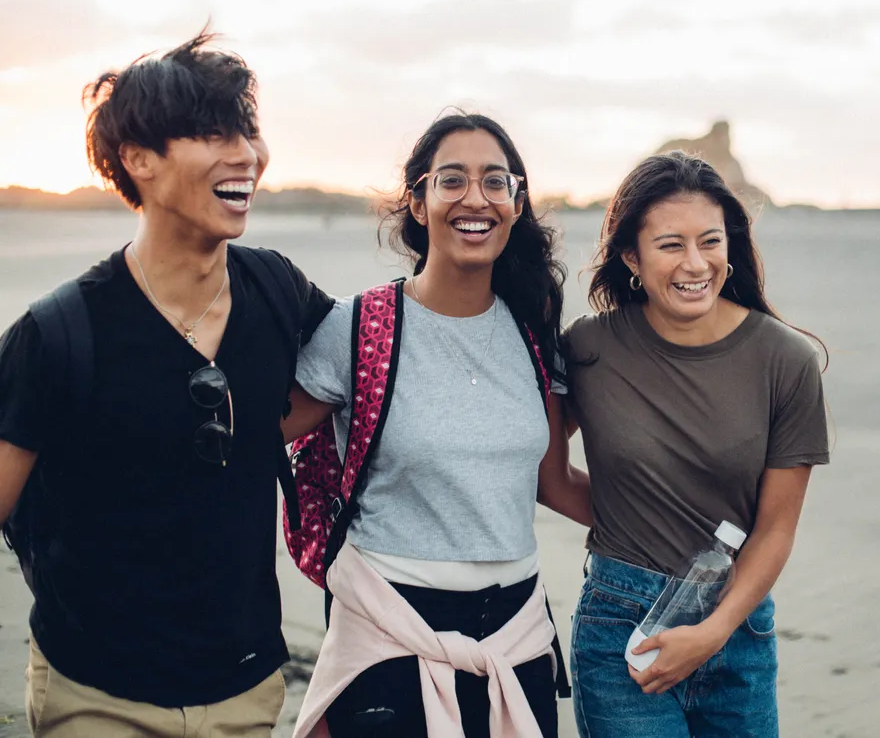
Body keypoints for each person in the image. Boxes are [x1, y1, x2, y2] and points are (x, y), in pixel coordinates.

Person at [0, 31, 334, 737]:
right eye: (213, 132)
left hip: (245, 691)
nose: (245, 152)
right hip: (97, 694)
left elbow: (364, 364)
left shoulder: (277, 291)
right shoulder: (59, 332)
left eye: (246, 130)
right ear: (138, 160)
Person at [283, 112, 591, 738]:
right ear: (419, 203)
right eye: (452, 180)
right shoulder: (359, 327)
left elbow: (552, 483)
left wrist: (680, 528)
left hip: (518, 640)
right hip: (389, 637)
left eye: (495, 182)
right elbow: (253, 438)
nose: (475, 198)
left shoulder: (536, 336)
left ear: (516, 203)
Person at [565, 151, 830, 737]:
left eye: (710, 241)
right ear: (631, 255)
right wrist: (631, 519)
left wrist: (715, 629)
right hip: (619, 627)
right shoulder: (589, 349)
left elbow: (776, 528)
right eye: (669, 245)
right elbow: (543, 473)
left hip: (738, 632)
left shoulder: (784, 361)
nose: (695, 264)